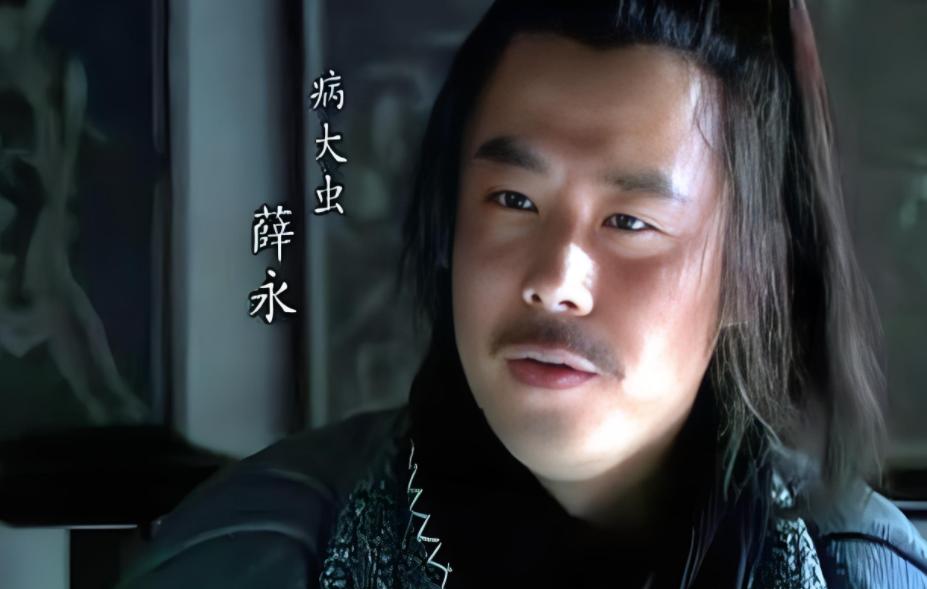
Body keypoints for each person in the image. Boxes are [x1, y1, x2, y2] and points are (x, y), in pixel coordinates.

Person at [115, 1, 927, 587]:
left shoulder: (857, 568)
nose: (555, 280)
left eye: (628, 222)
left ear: (753, 276)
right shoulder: (248, 551)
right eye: (512, 200)